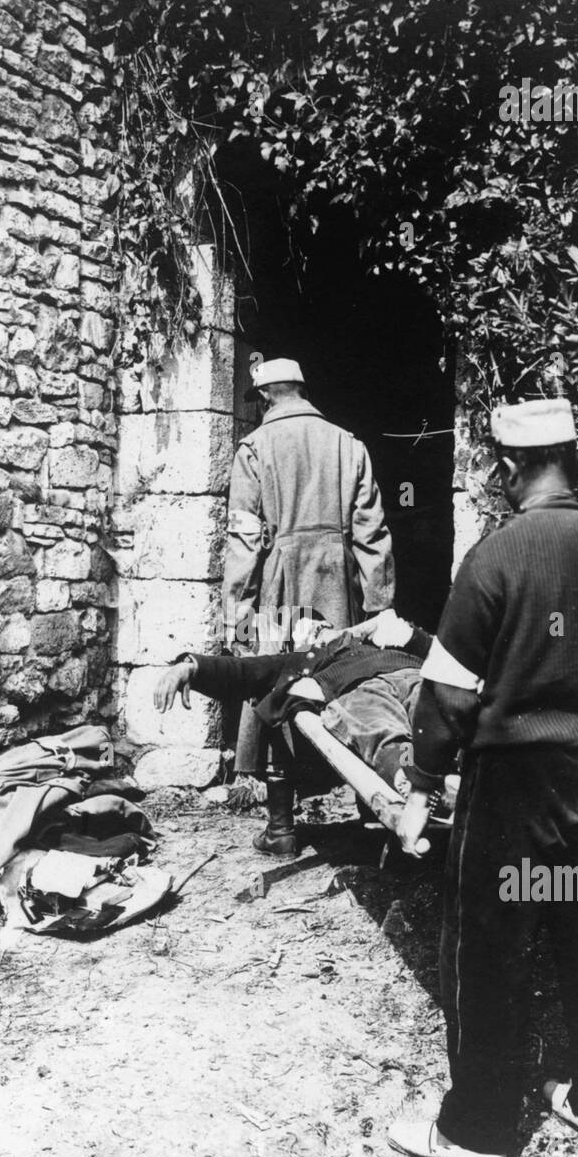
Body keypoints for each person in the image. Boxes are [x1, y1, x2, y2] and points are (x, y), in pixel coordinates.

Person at [389, 397, 578, 1157]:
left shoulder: (496, 558)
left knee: (491, 948)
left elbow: (446, 692)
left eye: (496, 470)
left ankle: (477, 1130)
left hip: (514, 788)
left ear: (511, 467)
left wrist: (420, 784)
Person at [222, 357, 395, 858]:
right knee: (348, 684)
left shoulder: (255, 448)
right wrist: (379, 608)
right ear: (299, 388)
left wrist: (238, 609)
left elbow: (244, 538)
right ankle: (370, 819)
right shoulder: (349, 444)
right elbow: (373, 534)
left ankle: (281, 829)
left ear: (266, 396)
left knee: (280, 686)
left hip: (281, 582)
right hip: (337, 584)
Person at [154, 611, 433, 795]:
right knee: (387, 731)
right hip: (366, 690)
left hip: (415, 675)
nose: (319, 629)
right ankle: (408, 775)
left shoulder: (381, 637)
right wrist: (191, 667)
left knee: (433, 714)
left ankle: (445, 774)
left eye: (321, 624)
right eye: (310, 629)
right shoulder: (305, 660)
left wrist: (405, 634)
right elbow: (244, 670)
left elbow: (442, 650)